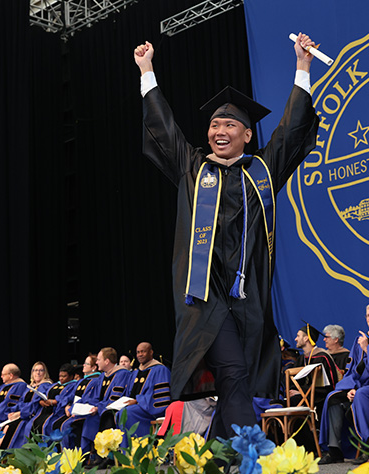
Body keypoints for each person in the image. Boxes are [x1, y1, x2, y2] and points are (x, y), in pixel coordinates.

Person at [133, 33, 320, 438]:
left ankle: (217, 453)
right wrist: (147, 72)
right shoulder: (194, 169)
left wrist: (302, 67)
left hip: (247, 295)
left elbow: (289, 133)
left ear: (247, 135)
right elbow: (165, 131)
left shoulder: (263, 172)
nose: (219, 129)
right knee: (233, 370)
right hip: (203, 296)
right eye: (215, 123)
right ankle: (248, 452)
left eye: (230, 124)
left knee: (237, 378)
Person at [318, 302, 369, 465]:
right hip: (359, 384)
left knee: (362, 395)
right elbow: (352, 371)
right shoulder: (361, 339)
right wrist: (351, 387)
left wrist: (367, 349)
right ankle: (334, 450)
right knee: (333, 397)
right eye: (368, 316)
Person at [116, 342, 172, 444]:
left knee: (127, 412)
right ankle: (124, 452)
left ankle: (136, 448)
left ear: (151, 352)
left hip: (151, 409)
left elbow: (159, 398)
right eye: (138, 352)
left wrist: (137, 401)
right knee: (119, 412)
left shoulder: (160, 370)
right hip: (136, 407)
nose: (140, 354)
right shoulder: (135, 372)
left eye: (143, 351)